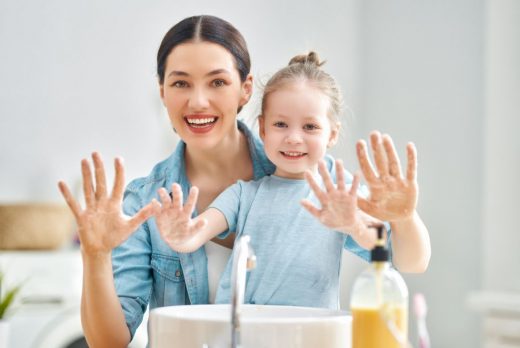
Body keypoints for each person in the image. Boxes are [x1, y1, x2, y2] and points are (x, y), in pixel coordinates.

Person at [57, 15, 430, 347]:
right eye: (181, 83)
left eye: (217, 82)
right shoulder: (144, 201)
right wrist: (96, 254)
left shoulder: (321, 182)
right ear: (163, 93)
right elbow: (108, 342)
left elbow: (408, 260)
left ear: (245, 89)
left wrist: (404, 216)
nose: (198, 101)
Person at [151, 52, 431, 309]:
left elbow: (413, 262)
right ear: (262, 128)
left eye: (310, 127)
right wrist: (182, 235)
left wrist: (399, 218)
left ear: (332, 134)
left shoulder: (341, 195)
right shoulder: (244, 194)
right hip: (243, 335)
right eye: (280, 124)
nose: (294, 137)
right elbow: (198, 233)